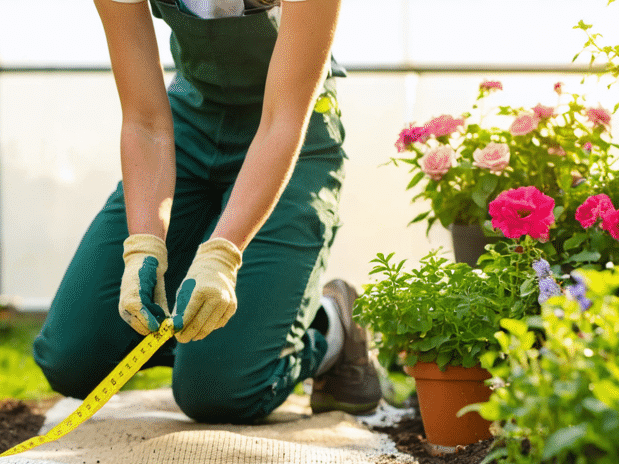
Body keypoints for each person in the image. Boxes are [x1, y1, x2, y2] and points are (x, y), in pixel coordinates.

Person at [33, 0, 381, 424]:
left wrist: (222, 254)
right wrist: (144, 245)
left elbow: (282, 119)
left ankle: (332, 327)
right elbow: (144, 119)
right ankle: (214, 347)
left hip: (292, 135)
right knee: (71, 358)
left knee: (219, 393)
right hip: (188, 125)